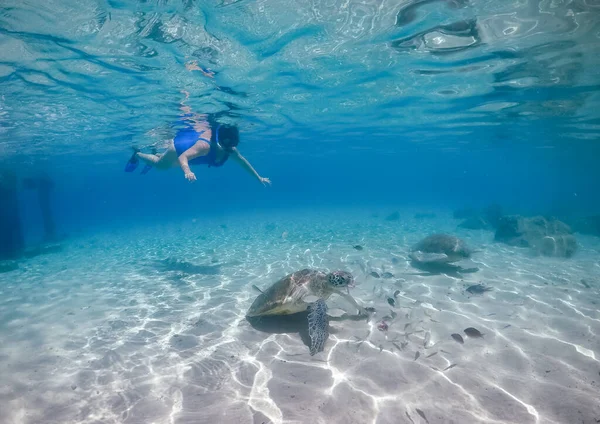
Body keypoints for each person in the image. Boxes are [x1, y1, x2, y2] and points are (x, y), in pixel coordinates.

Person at [125, 90, 271, 186]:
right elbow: (183, 157)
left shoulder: (231, 151)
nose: (229, 148)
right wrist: (187, 172)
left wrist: (259, 178)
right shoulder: (205, 146)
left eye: (233, 143)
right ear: (220, 140)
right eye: (226, 143)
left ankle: (157, 154)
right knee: (161, 166)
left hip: (194, 155)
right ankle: (137, 154)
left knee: (169, 163)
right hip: (181, 147)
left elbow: (244, 163)